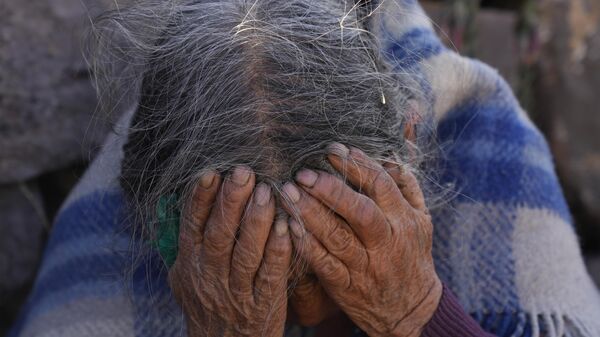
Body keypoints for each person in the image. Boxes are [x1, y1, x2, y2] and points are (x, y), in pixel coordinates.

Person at [9, 0, 600, 336]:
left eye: (326, 257)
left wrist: (419, 312)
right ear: (147, 209)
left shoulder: (482, 144)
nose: (293, 311)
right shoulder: (133, 207)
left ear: (410, 150)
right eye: (243, 256)